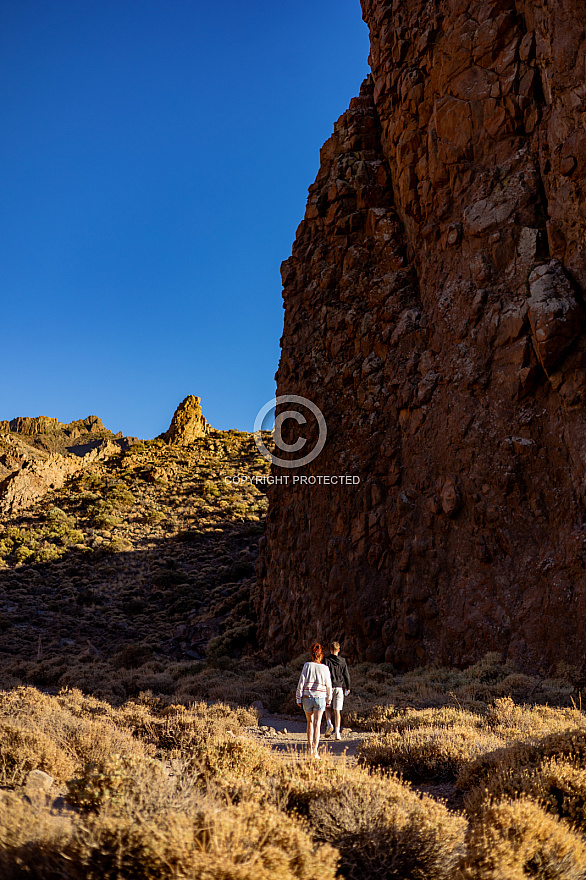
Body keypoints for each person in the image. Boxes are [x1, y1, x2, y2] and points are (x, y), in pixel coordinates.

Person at [296, 642, 332, 759]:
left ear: (312, 655)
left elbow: (301, 681)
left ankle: (310, 748)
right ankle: (315, 752)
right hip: (320, 698)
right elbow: (328, 686)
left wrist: (298, 696)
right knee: (317, 724)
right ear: (321, 655)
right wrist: (329, 699)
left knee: (309, 723)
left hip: (307, 697)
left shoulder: (307, 666)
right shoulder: (325, 668)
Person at [323, 641, 351, 741]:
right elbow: (346, 675)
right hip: (339, 688)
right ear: (338, 650)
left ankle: (329, 724)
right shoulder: (343, 661)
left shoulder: (326, 660)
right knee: (337, 711)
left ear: (330, 650)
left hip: (329, 687)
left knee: (327, 708)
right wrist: (348, 687)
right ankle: (337, 733)